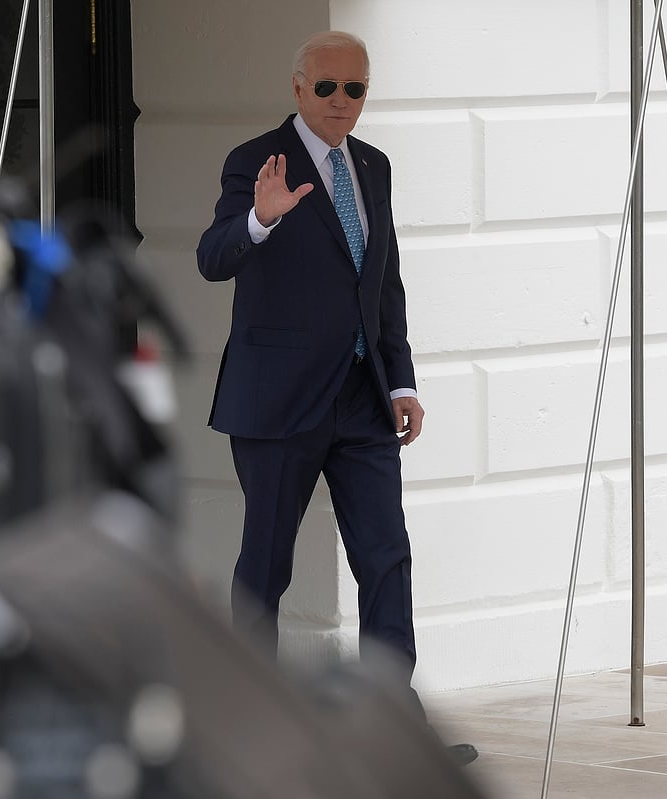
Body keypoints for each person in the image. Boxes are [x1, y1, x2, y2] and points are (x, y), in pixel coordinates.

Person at [196, 31, 477, 764]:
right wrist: (261, 219)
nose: (341, 101)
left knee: (386, 558)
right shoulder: (257, 162)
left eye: (356, 89)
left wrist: (401, 378)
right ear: (298, 87)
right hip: (278, 402)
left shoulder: (373, 165)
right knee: (266, 566)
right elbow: (212, 257)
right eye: (326, 87)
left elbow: (383, 282)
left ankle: (395, 732)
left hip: (362, 399)